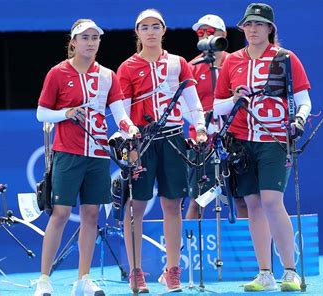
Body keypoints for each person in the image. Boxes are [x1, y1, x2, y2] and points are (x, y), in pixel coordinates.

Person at [33, 19, 139, 296]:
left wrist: (130, 128)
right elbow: (41, 114)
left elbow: (120, 114)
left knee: (91, 215)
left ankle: (83, 278)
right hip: (67, 153)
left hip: (99, 154)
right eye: (85, 37)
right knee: (60, 214)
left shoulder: (108, 76)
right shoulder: (57, 73)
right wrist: (66, 113)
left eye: (95, 38)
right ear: (73, 42)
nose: (90, 42)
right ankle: (44, 279)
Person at [214, 3, 311, 292]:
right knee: (253, 205)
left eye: (259, 24)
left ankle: (290, 271)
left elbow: (304, 100)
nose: (253, 29)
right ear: (242, 28)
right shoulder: (231, 61)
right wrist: (235, 99)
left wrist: (299, 120)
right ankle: (265, 272)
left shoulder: (285, 58)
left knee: (271, 201)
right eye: (248, 24)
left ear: (270, 28)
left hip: (273, 139)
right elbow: (216, 106)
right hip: (242, 142)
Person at [117, 8, 207, 293]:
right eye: (145, 27)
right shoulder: (127, 67)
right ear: (137, 32)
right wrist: (129, 139)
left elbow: (193, 103)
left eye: (156, 26)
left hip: (172, 138)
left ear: (164, 30)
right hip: (141, 141)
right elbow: (120, 110)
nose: (151, 32)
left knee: (172, 204)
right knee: (136, 207)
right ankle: (136, 273)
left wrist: (201, 127)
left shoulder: (179, 63)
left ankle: (172, 271)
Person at [185, 14, 248, 220]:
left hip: (235, 138)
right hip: (203, 141)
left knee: (243, 198)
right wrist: (201, 124)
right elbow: (180, 105)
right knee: (198, 200)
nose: (205, 36)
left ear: (223, 35)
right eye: (201, 33)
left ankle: (251, 248)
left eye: (210, 32)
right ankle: (190, 251)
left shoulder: (238, 62)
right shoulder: (191, 67)